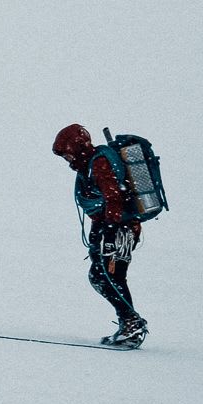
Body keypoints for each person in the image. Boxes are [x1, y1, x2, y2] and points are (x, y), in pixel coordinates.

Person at [55, 122, 145, 347]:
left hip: (122, 228)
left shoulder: (100, 163)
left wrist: (111, 228)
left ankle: (131, 323)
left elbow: (113, 197)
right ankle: (128, 323)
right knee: (100, 275)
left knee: (109, 275)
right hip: (112, 227)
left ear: (77, 148)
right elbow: (102, 204)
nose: (67, 160)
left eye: (67, 154)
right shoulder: (88, 166)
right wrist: (97, 233)